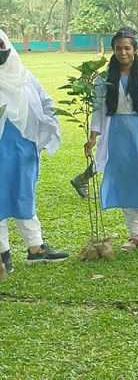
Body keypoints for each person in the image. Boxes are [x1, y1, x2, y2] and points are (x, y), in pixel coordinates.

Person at [85, 27, 138, 251]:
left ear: (135, 50)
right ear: (113, 50)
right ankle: (134, 233)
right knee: (125, 180)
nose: (123, 53)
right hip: (117, 135)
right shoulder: (104, 79)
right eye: (118, 48)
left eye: (127, 48)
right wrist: (93, 136)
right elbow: (98, 110)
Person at [0, 30, 68, 274]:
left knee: (24, 195)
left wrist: (47, 126)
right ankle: (3, 253)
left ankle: (35, 249)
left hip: (23, 147)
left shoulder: (24, 75)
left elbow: (46, 102)